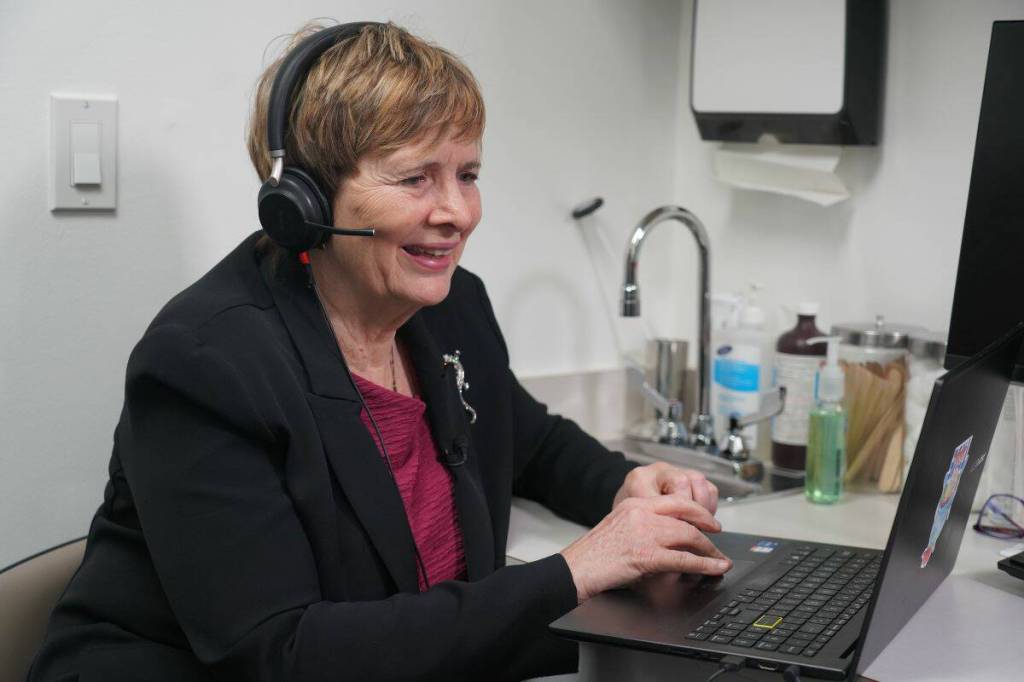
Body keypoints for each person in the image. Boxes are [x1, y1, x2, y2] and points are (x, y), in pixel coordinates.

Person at [29, 21, 731, 682]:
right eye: (415, 178)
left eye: (468, 173)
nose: (456, 211)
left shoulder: (450, 306)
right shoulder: (205, 364)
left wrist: (629, 488)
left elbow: (530, 442)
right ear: (305, 199)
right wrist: (576, 572)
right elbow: (282, 653)